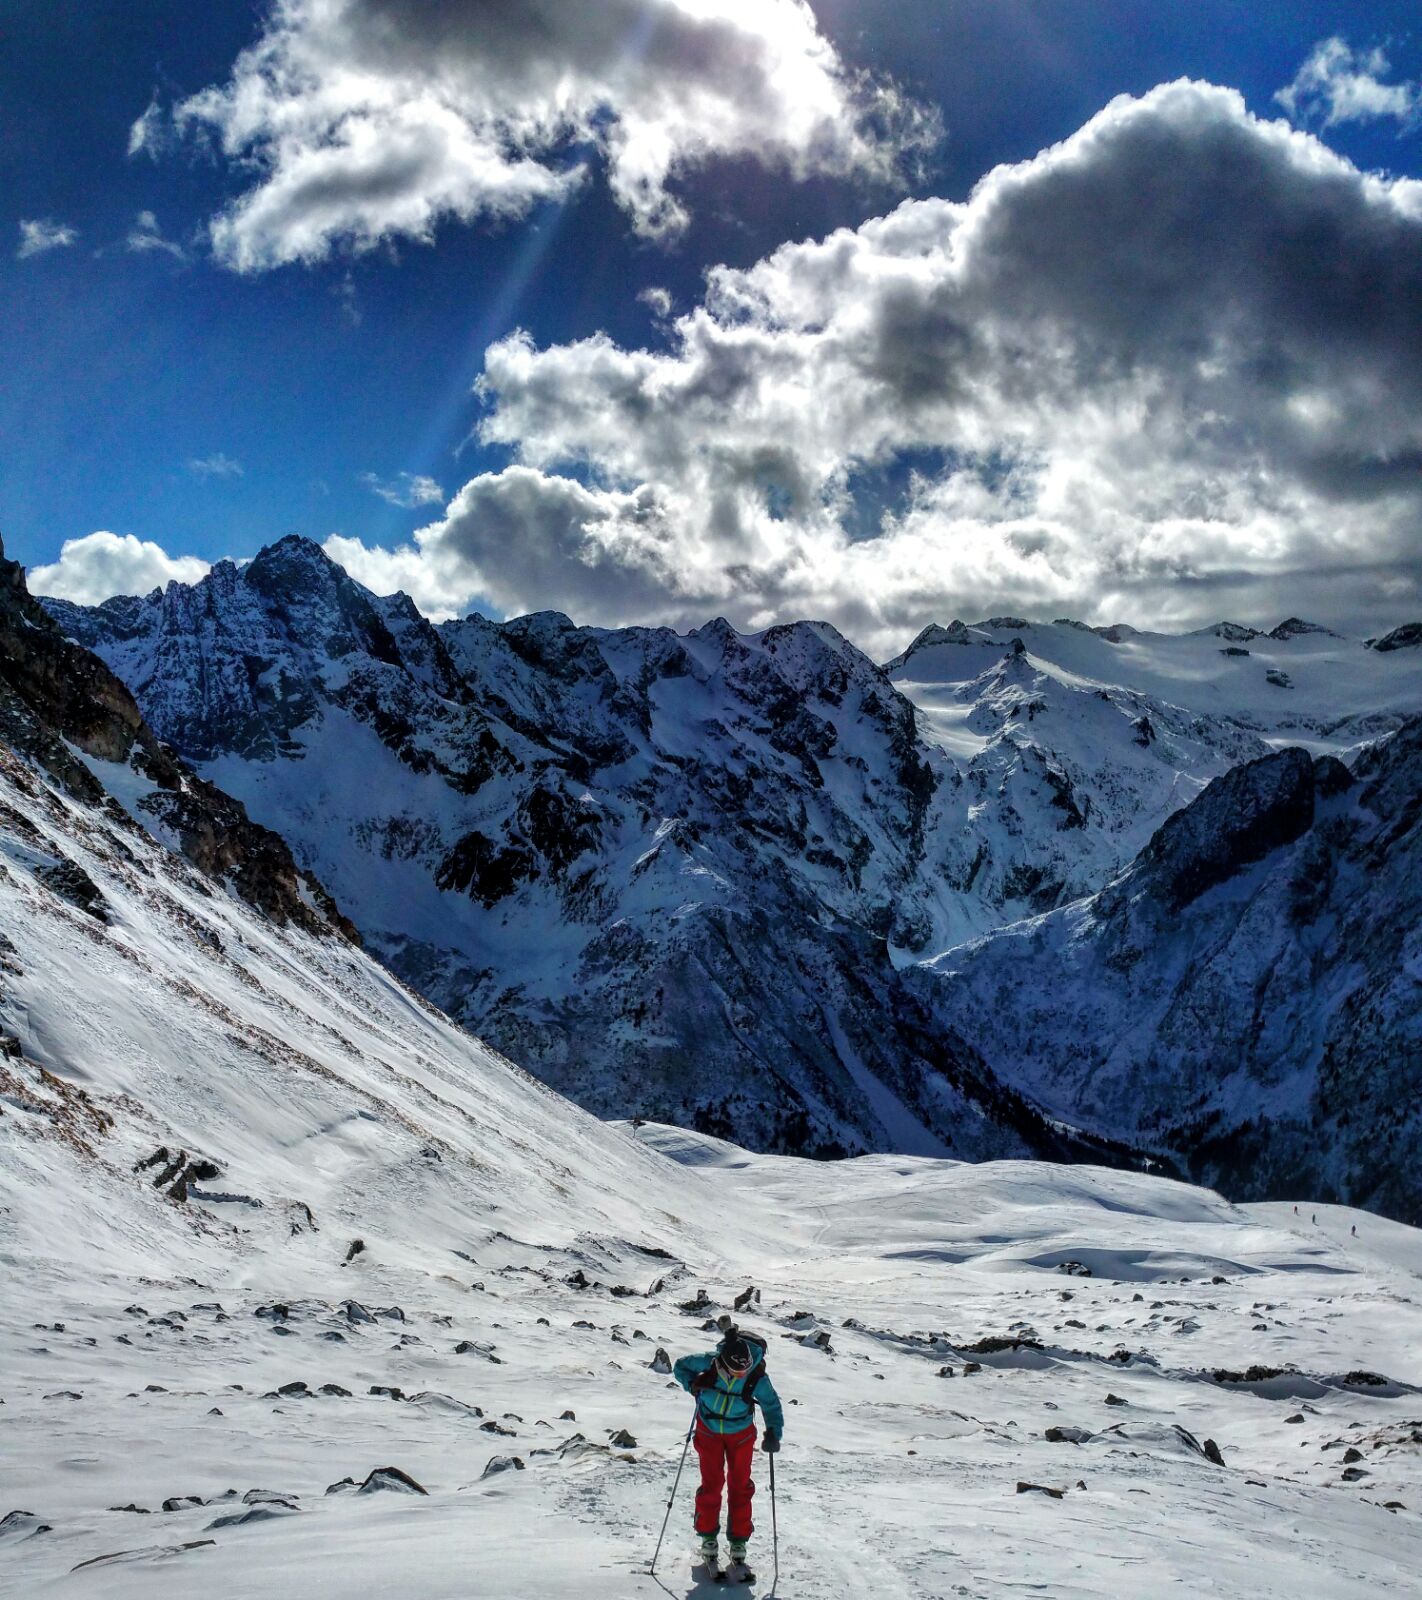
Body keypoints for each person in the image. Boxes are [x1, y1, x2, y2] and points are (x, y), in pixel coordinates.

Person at [673, 1317, 784, 1578]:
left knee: (740, 1486)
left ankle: (739, 1543)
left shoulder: (756, 1374)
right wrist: (693, 1385)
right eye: (736, 1372)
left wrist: (773, 1433)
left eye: (744, 1371)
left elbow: (771, 1404)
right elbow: (680, 1367)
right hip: (708, 1430)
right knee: (711, 1485)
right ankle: (708, 1539)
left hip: (741, 1435)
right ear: (724, 1362)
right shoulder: (710, 1362)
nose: (741, 1375)